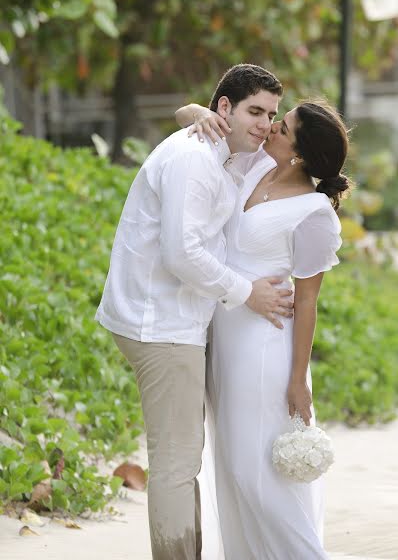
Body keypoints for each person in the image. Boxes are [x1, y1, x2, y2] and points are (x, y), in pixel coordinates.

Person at [95, 64, 295, 560]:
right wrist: (247, 291)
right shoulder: (195, 159)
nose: (266, 124)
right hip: (159, 325)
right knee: (176, 464)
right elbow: (180, 254)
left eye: (271, 114)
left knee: (184, 459)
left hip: (176, 322)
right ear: (223, 108)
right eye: (255, 111)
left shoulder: (224, 154)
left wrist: (190, 111)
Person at [175, 99, 351, 559]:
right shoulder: (255, 166)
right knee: (231, 468)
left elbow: (308, 301)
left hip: (264, 351)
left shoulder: (314, 213)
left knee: (255, 476)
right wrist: (200, 112)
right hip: (225, 338)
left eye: (285, 127)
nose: (272, 126)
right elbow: (186, 114)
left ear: (301, 154)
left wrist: (297, 380)